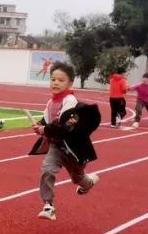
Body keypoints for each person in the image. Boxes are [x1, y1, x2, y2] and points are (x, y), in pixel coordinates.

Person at [30, 62, 99, 222]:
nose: (55, 82)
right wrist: (40, 127)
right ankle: (48, 206)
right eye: (53, 79)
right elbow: (47, 123)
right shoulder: (50, 103)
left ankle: (89, 182)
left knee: (78, 179)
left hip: (75, 149)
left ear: (70, 83)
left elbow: (66, 127)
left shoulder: (70, 101)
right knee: (47, 169)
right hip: (57, 146)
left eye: (60, 80)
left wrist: (46, 130)